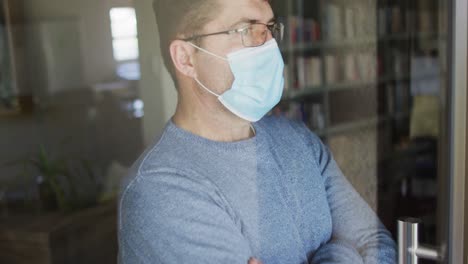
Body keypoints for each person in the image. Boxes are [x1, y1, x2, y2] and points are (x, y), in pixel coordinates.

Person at [118, 0, 397, 263]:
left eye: (270, 28)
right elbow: (359, 249)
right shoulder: (160, 191)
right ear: (186, 58)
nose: (269, 45)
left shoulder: (298, 140)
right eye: (247, 30)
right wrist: (343, 252)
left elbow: (377, 242)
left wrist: (335, 255)